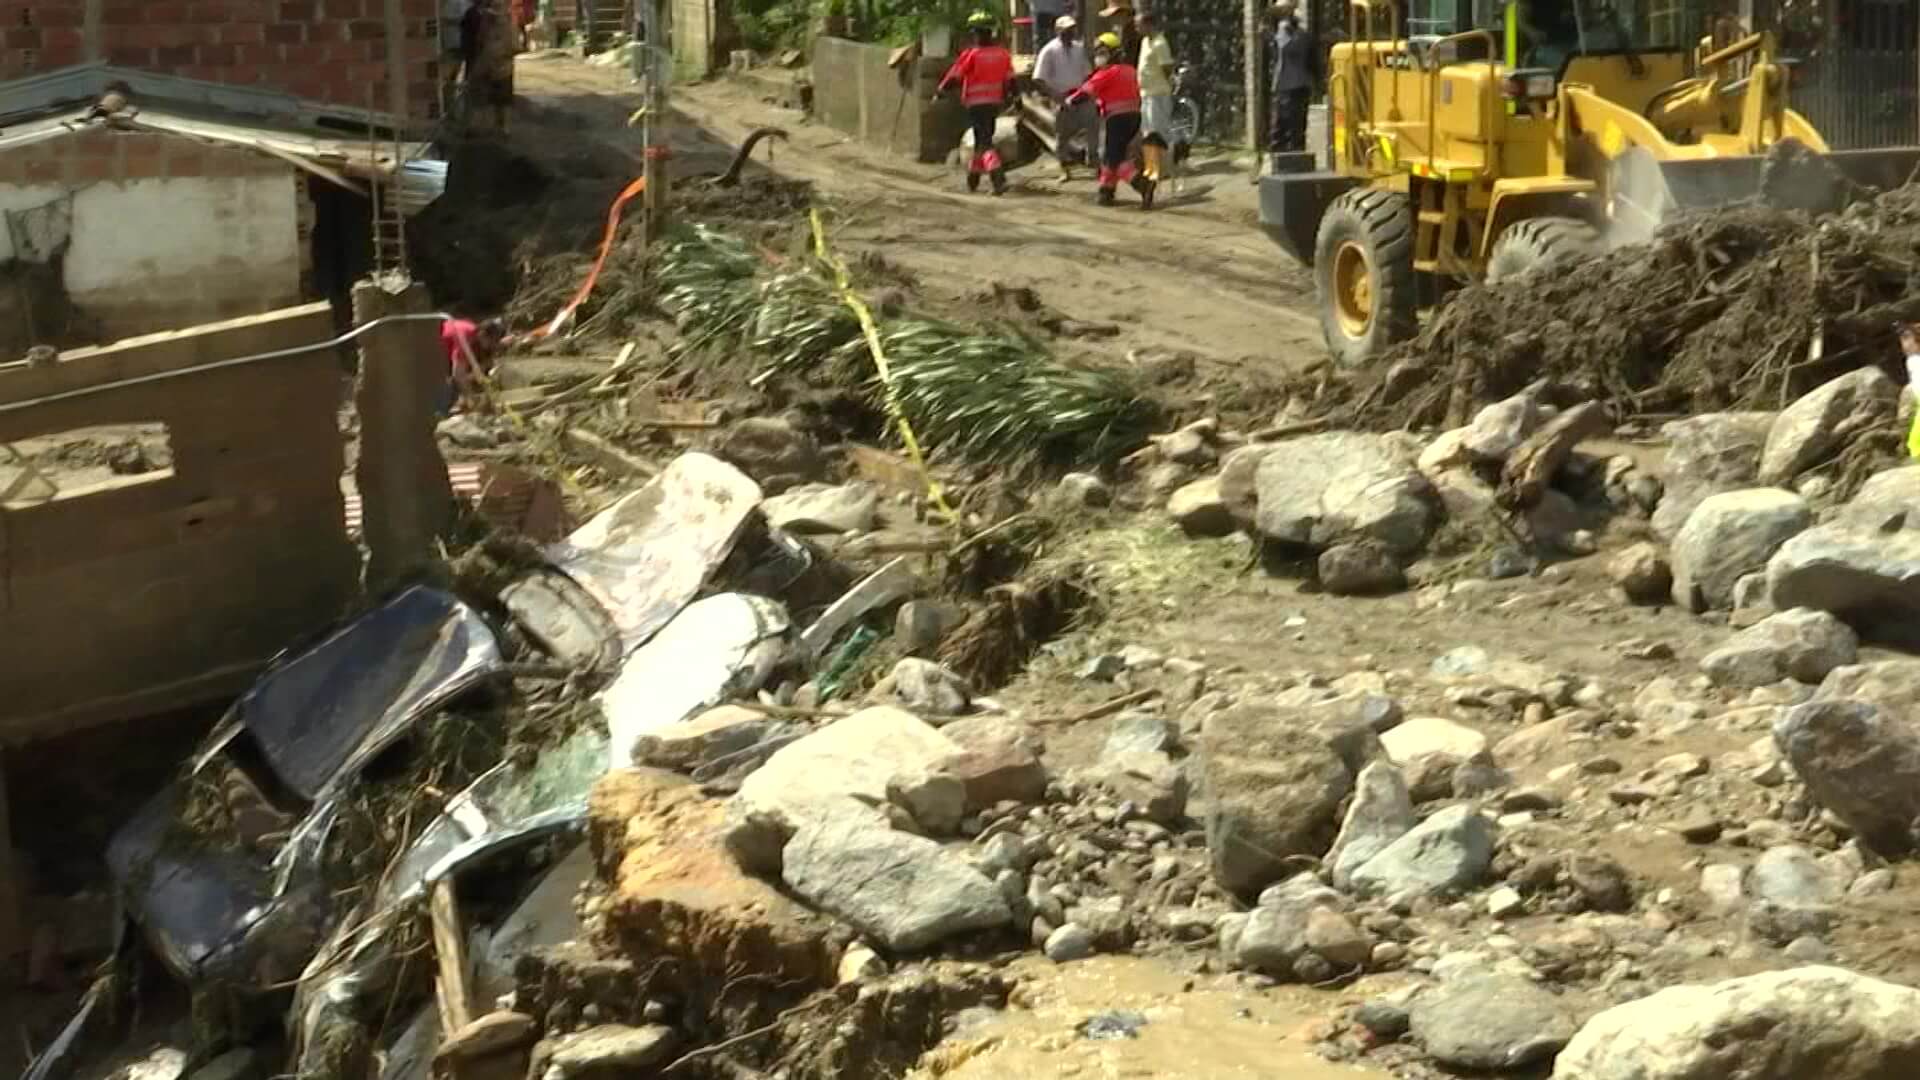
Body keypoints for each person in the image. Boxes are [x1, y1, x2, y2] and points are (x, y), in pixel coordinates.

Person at [935, 12, 1017, 195]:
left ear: (976, 34)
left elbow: (955, 77)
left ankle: (998, 178)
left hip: (975, 104)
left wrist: (940, 90)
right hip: (994, 103)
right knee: (983, 140)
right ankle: (973, 178)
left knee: (984, 142)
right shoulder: (1003, 54)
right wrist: (1016, 98)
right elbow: (1011, 80)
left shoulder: (971, 55)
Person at [1067, 36, 1153, 209]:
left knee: (1114, 159)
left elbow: (1084, 93)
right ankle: (1106, 191)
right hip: (1134, 118)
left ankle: (1142, 184)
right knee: (1112, 155)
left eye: (1102, 53)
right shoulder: (1129, 70)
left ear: (1113, 53)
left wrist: (1068, 101)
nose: (1099, 57)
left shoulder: (1107, 73)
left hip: (1117, 120)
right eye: (1098, 53)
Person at [1033, 15, 1095, 180]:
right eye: (1067, 30)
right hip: (1061, 96)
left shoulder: (1078, 48)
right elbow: (1038, 78)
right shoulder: (1049, 50)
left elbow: (1087, 73)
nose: (1070, 33)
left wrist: (1086, 91)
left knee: (1092, 127)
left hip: (1080, 94)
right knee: (1062, 135)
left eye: (1072, 29)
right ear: (1058, 31)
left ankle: (1094, 163)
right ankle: (1064, 169)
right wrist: (1056, 96)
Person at [1268, 0, 1317, 160]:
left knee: (1294, 127)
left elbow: (1292, 49)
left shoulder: (1297, 33)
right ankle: (1279, 161)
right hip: (1287, 84)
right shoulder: (1282, 30)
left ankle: (1295, 160)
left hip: (1294, 84)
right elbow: (1283, 48)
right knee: (1282, 127)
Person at [1135, 10, 1174, 191]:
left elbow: (1166, 67)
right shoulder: (1145, 41)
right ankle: (1151, 167)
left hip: (1158, 93)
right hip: (1146, 93)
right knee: (1147, 132)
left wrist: (1165, 85)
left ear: (1148, 24)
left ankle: (1163, 168)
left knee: (1159, 131)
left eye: (1139, 25)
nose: (1137, 28)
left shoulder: (1160, 43)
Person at [463, 0, 516, 132]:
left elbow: (514, 46)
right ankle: (487, 126)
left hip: (501, 67)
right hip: (489, 66)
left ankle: (502, 127)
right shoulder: (485, 24)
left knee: (501, 100)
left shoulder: (508, 26)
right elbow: (479, 41)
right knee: (486, 97)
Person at [440, 317, 509, 416]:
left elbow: (487, 360)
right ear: (483, 335)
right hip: (437, 350)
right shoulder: (464, 339)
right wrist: (471, 397)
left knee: (481, 364)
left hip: (453, 346)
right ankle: (443, 410)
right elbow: (458, 375)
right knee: (454, 382)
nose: (491, 345)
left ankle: (465, 399)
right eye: (490, 342)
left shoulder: (474, 333)